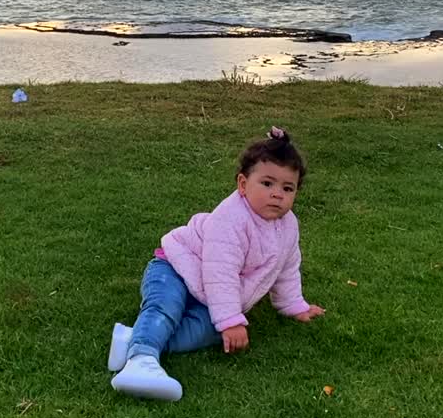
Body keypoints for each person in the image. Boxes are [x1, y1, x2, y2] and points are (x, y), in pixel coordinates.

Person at [107, 126, 326, 401]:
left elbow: (287, 266)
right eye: (267, 184)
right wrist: (231, 320)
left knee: (209, 331)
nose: (277, 194)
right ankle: (142, 361)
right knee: (167, 307)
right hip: (175, 268)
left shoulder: (288, 225)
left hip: (208, 294)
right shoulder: (231, 219)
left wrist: (293, 305)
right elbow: (220, 272)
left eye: (287, 188)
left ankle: (133, 339)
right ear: (243, 185)